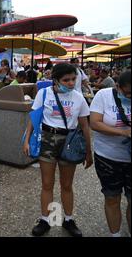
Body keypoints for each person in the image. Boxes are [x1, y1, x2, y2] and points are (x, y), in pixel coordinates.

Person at [22, 63, 93, 237]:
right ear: (55, 80)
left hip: (69, 141)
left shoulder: (78, 97)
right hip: (47, 140)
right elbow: (34, 118)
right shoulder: (43, 93)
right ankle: (45, 220)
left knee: (66, 185)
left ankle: (68, 219)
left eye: (73, 79)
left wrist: (88, 152)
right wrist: (27, 140)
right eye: (66, 80)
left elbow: (85, 126)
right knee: (47, 184)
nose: (70, 83)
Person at [90, 70, 131, 237]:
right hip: (108, 157)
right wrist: (124, 132)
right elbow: (94, 123)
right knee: (112, 198)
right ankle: (115, 234)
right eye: (128, 93)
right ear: (117, 87)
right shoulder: (104, 96)